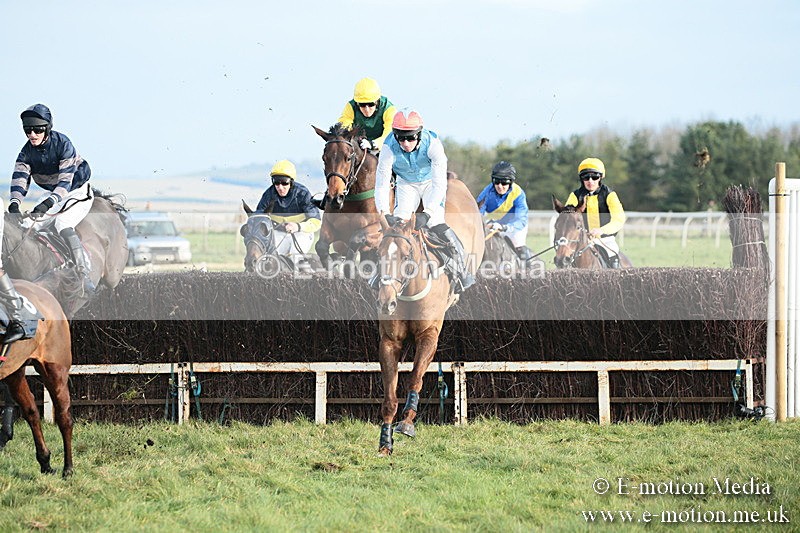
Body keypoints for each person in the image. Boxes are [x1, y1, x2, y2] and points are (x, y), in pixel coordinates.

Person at [374, 108, 475, 293]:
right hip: (405, 183)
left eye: (410, 138)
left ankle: (462, 270)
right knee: (398, 226)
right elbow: (380, 184)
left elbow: (439, 185)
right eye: (401, 138)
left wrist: (427, 213)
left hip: (431, 183)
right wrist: (385, 213)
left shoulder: (433, 144)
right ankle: (380, 274)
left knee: (436, 221)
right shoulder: (388, 147)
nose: (405, 143)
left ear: (419, 134)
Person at [10, 104, 95, 293]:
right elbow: (19, 180)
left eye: (37, 129)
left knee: (62, 223)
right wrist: (15, 204)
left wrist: (48, 202)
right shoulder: (26, 152)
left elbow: (65, 183)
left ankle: (83, 274)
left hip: (77, 191)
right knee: (27, 226)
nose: (32, 134)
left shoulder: (63, 144)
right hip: (54, 193)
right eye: (28, 130)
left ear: (47, 128)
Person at [564, 157, 627, 268]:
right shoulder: (575, 196)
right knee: (563, 259)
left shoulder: (609, 195)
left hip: (605, 240)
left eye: (594, 177)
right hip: (581, 240)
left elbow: (619, 219)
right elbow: (567, 217)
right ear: (581, 179)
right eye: (586, 177)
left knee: (613, 258)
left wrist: (601, 230)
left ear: (600, 178)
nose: (590, 181)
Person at [255, 160, 322, 261]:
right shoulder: (268, 194)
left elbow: (316, 222)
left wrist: (298, 226)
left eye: (284, 183)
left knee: (295, 258)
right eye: (276, 183)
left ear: (291, 181)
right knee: (269, 260)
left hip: (302, 233)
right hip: (278, 233)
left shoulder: (303, 194)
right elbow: (258, 217)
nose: (280, 187)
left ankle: (306, 273)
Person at [476, 161, 533, 261]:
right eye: (496, 181)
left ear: (511, 182)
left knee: (520, 247)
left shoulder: (519, 194)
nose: (500, 186)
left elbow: (521, 220)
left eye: (504, 182)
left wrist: (505, 227)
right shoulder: (488, 191)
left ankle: (527, 271)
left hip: (514, 226)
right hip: (493, 223)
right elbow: (478, 212)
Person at [337, 77, 397, 152]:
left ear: (377, 101)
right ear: (357, 103)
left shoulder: (389, 109)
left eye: (371, 104)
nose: (367, 109)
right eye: (362, 105)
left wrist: (373, 144)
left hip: (384, 147)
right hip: (360, 145)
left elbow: (389, 135)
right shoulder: (350, 107)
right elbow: (344, 129)